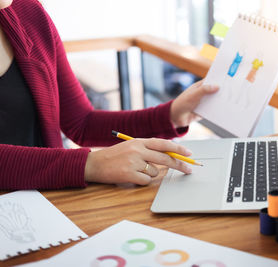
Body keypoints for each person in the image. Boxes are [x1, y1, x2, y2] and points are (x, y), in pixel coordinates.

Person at [0, 0, 218, 190]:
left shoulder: (29, 13)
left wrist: (171, 115)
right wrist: (90, 165)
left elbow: (82, 123)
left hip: (49, 208)